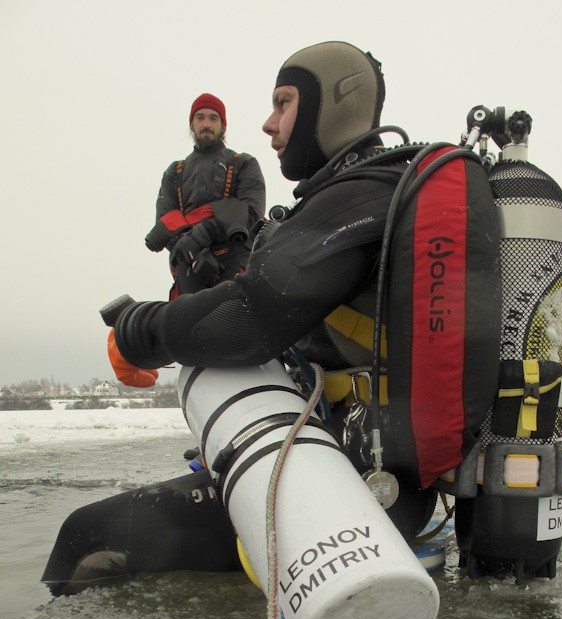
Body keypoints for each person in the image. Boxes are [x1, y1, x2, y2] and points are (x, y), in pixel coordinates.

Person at [106, 41, 500, 540]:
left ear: (329, 104)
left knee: (96, 537)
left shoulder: (359, 195)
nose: (269, 123)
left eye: (283, 103)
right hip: (357, 464)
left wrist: (135, 331)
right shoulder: (371, 188)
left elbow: (249, 320)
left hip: (359, 483)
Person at [145, 93, 266, 298]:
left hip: (235, 257)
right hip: (188, 263)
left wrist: (202, 234)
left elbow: (252, 213)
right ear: (192, 124)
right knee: (190, 327)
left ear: (223, 125)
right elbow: (165, 222)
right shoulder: (175, 172)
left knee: (234, 323)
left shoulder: (243, 163)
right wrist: (194, 255)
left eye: (213, 118)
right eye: (200, 117)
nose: (206, 123)